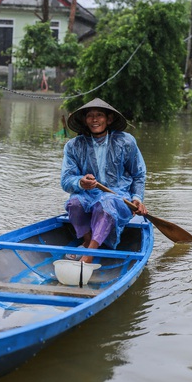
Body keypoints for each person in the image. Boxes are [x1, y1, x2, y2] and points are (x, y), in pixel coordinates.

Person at [61, 98, 148, 263]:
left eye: (99, 115)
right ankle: (88, 241)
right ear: (85, 120)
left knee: (106, 202)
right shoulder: (74, 146)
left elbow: (138, 174)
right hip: (89, 195)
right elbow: (66, 180)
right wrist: (80, 182)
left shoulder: (126, 142)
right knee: (74, 203)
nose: (94, 120)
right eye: (90, 116)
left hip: (118, 196)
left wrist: (137, 198)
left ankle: (89, 254)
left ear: (109, 119)